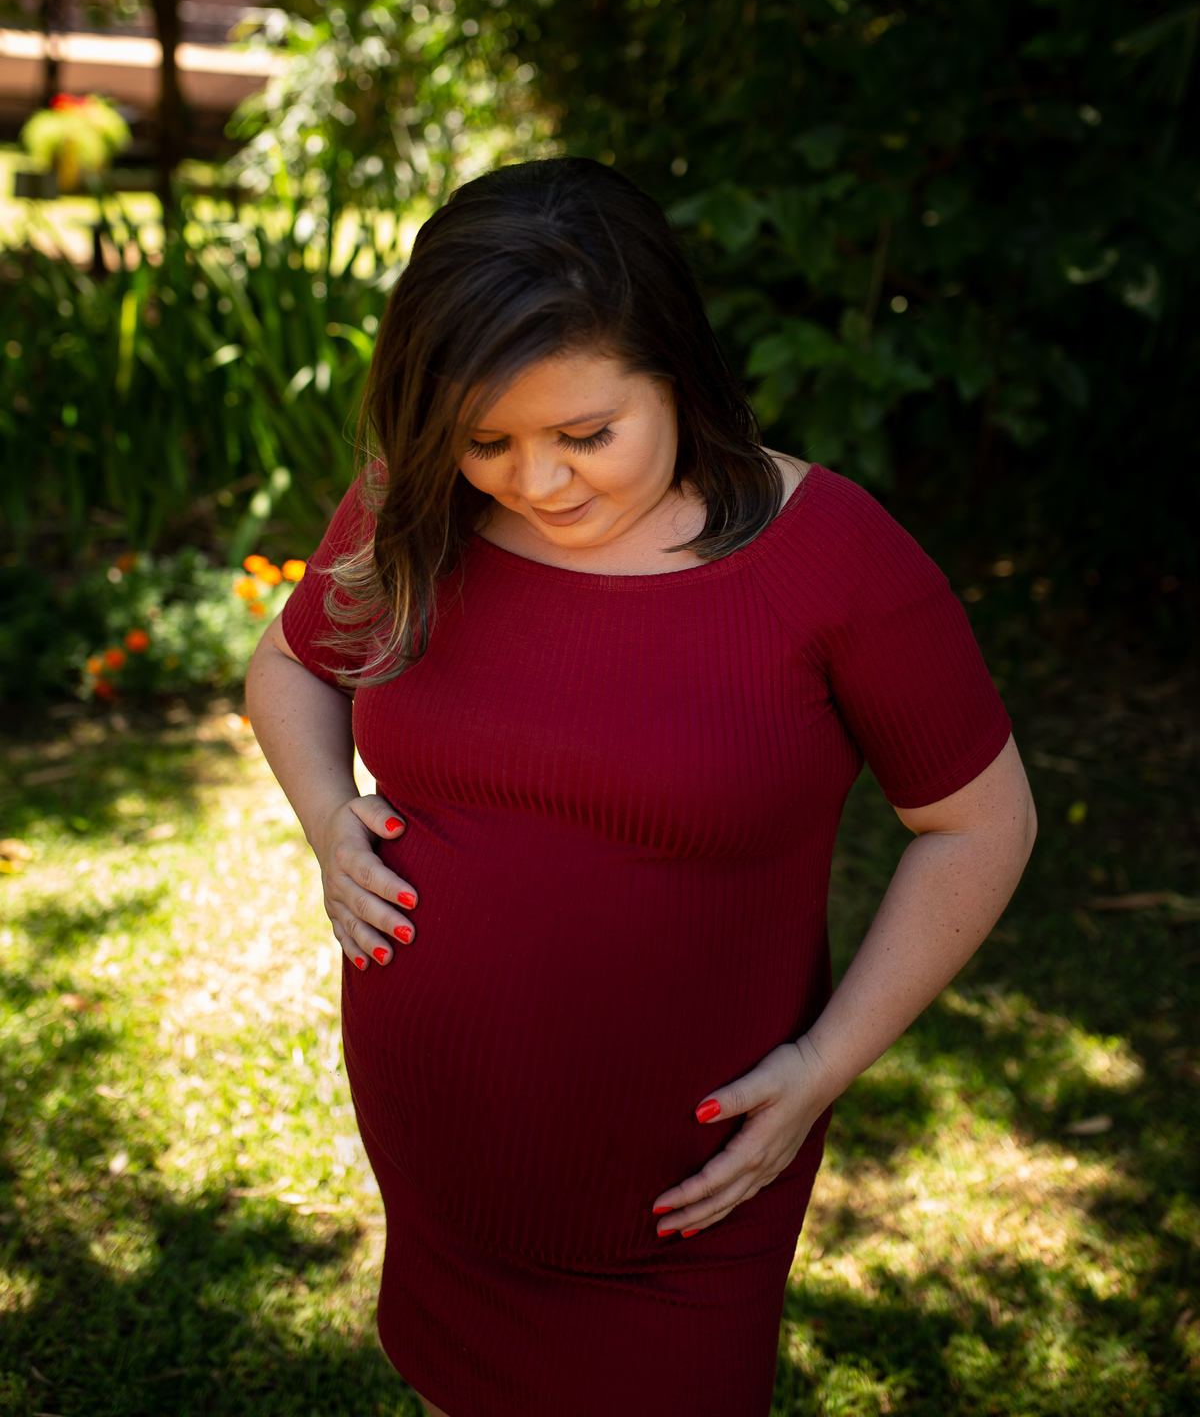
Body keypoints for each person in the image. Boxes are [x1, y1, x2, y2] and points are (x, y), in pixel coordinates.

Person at [245, 157, 1036, 1417]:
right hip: (444, 1165)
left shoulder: (832, 561)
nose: (537, 482)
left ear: (675, 367)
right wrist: (328, 816)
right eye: (487, 440)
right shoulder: (418, 507)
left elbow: (980, 823)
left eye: (586, 435)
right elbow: (293, 664)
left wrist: (826, 1063)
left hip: (687, 1201)